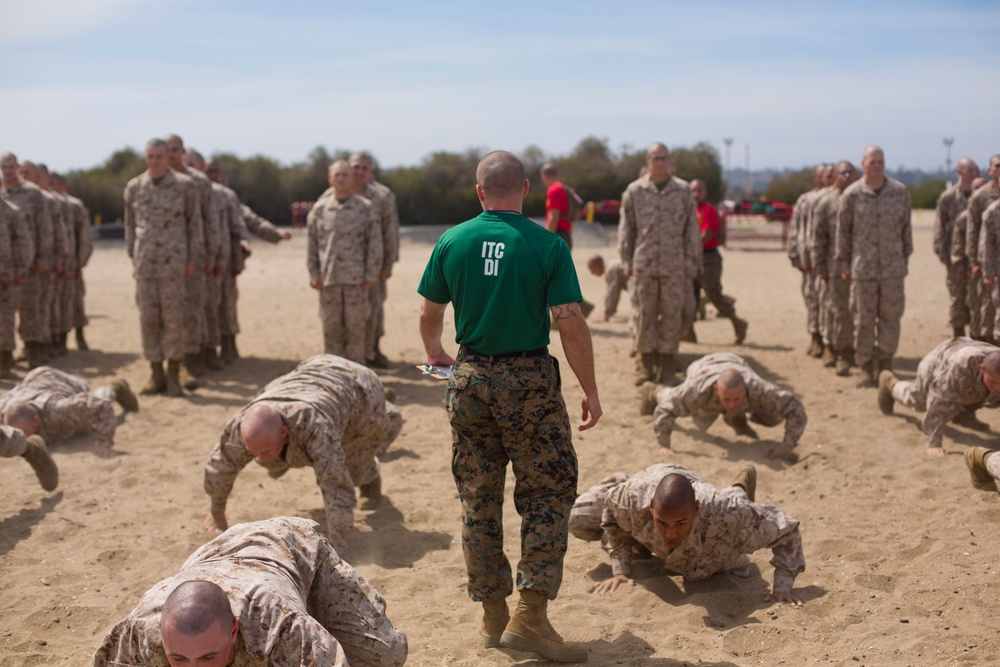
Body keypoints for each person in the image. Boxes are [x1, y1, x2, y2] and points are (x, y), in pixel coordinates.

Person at [418, 150, 600, 662]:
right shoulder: (546, 244)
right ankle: (532, 615)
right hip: (529, 380)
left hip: (470, 375)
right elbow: (570, 322)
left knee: (478, 499)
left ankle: (493, 611)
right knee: (546, 492)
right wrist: (590, 388)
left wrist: (436, 357)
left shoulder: (452, 240)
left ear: (479, 192)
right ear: (524, 188)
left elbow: (430, 313)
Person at [93, 516, 407, 667]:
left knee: (385, 656)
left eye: (208, 656)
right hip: (216, 555)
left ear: (233, 629)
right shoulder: (137, 630)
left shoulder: (277, 623)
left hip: (293, 548)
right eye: (178, 658)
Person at [201, 355, 401, 549]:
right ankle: (283, 455)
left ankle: (373, 467)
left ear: (283, 432)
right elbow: (220, 466)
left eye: (266, 450)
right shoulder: (239, 427)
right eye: (255, 452)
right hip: (312, 374)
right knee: (271, 460)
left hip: (359, 385)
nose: (259, 458)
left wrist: (338, 546)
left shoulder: (316, 428)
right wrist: (216, 512)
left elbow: (335, 486)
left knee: (354, 463)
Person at [568, 463, 806, 605]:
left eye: (680, 524)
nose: (671, 533)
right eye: (662, 523)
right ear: (651, 507)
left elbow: (787, 529)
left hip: (715, 506)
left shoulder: (722, 510)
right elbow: (610, 518)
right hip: (647, 482)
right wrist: (621, 569)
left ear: (695, 510)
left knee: (697, 570)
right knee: (577, 517)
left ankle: (739, 489)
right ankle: (641, 525)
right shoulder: (627, 499)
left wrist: (782, 588)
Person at [124, 138, 204, 396]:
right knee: (149, 318)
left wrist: (192, 259)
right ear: (145, 157)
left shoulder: (184, 186)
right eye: (151, 156)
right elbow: (130, 227)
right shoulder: (135, 187)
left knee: (174, 318)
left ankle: (173, 375)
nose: (155, 160)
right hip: (146, 264)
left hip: (174, 265)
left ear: (167, 158)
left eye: (160, 156)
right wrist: (133, 258)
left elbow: (194, 226)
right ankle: (155, 373)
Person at [618, 143, 701, 385]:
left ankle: (666, 365)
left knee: (672, 313)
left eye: (664, 158)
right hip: (644, 263)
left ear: (669, 161)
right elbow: (627, 229)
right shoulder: (634, 191)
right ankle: (645, 364)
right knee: (645, 313)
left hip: (674, 264)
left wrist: (689, 260)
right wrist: (626, 260)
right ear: (648, 160)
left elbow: (691, 229)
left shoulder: (683, 191)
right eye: (656, 158)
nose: (661, 162)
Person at [836, 145, 913, 387]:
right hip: (863, 269)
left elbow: (906, 231)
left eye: (881, 161)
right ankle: (867, 367)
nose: (877, 166)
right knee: (863, 319)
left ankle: (886, 365)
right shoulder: (852, 195)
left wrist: (904, 260)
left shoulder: (900, 192)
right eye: (873, 162)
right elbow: (843, 233)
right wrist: (844, 264)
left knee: (890, 317)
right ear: (863, 164)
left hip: (892, 269)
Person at [639, 352, 806, 462]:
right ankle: (654, 390)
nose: (732, 404)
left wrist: (788, 445)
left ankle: (735, 418)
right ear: (716, 390)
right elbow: (666, 409)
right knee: (668, 399)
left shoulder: (759, 388)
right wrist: (664, 445)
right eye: (727, 399)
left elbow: (795, 407)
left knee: (773, 417)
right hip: (703, 367)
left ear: (746, 389)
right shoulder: (697, 390)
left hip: (735, 362)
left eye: (736, 399)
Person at [202, 160, 291, 363]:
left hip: (226, 261)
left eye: (215, 171)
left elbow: (250, 221)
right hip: (204, 262)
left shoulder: (228, 197)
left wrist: (275, 234)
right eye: (208, 171)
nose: (212, 175)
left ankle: (229, 346)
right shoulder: (195, 194)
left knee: (227, 304)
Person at [307, 160, 382, 363]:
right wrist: (314, 273)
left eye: (345, 174)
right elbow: (313, 245)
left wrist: (370, 275)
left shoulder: (365, 208)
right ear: (330, 178)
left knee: (356, 329)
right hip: (329, 280)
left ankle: (357, 376)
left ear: (351, 178)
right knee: (331, 329)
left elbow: (374, 244)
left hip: (356, 280)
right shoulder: (320, 210)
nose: (341, 178)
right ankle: (334, 374)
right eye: (337, 175)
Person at [877, 338, 1000, 458]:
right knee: (919, 402)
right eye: (994, 382)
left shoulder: (992, 375)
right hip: (939, 363)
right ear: (982, 369)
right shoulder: (961, 366)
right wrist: (934, 443)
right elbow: (940, 400)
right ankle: (890, 384)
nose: (998, 387)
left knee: (989, 393)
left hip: (968, 368)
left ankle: (963, 415)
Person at [165, 134, 216, 383]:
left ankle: (192, 360)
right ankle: (172, 360)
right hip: (163, 261)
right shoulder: (156, 182)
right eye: (168, 150)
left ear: (183, 152)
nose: (172, 154)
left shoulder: (198, 181)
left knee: (193, 309)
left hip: (193, 257)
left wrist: (209, 254)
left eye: (176, 150)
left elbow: (209, 220)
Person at [0, 366, 138, 457]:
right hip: (32, 382)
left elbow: (102, 406)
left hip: (64, 383)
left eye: (23, 432)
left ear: (36, 421)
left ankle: (115, 388)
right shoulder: (3, 410)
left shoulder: (60, 410)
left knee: (95, 404)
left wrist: (104, 442)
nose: (18, 436)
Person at [1, 152, 54, 370]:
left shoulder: (33, 193)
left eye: (12, 167)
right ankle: (7, 356)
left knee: (31, 309)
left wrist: (41, 258)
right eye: (5, 167)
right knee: (6, 313)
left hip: (29, 262)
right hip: (6, 263)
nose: (9, 171)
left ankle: (35, 353)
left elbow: (44, 228)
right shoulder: (2, 193)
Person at [350, 151, 400, 369]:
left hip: (374, 264)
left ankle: (373, 351)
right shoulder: (338, 193)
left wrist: (388, 264)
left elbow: (391, 232)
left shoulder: (382, 196)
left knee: (375, 310)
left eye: (364, 168)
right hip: (346, 265)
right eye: (355, 167)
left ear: (371, 171)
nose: (359, 172)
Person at [812, 161, 860, 374]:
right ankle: (834, 348)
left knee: (855, 311)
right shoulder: (826, 203)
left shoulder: (862, 200)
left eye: (851, 172)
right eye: (843, 173)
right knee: (834, 310)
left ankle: (852, 350)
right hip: (834, 267)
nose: (847, 176)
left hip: (859, 266)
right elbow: (819, 238)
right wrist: (820, 265)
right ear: (835, 177)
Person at [690, 178, 748, 344]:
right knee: (690, 296)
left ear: (705, 192)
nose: (695, 194)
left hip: (708, 257)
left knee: (713, 295)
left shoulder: (707, 210)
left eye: (699, 190)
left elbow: (707, 234)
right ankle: (688, 331)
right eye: (693, 190)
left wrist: (689, 248)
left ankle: (737, 322)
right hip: (693, 257)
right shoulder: (690, 210)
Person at [788, 164, 829, 358]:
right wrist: (796, 257)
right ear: (816, 177)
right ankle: (815, 338)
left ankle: (831, 341)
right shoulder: (805, 200)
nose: (827, 179)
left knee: (829, 304)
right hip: (809, 263)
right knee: (812, 301)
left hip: (829, 263)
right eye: (823, 175)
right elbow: (795, 230)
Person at [935, 158, 979, 338]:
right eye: (969, 169)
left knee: (978, 302)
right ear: (959, 171)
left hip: (979, 258)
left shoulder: (982, 195)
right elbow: (940, 226)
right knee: (958, 302)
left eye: (975, 170)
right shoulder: (949, 197)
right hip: (957, 258)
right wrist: (943, 254)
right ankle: (958, 341)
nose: (973, 173)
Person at [49, 172, 93, 351]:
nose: (52, 187)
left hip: (72, 263)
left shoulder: (74, 205)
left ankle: (80, 336)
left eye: (55, 183)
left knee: (76, 302)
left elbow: (83, 238)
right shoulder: (48, 203)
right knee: (57, 303)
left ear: (64, 185)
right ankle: (58, 339)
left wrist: (79, 263)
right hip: (54, 264)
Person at [966, 154, 1000, 343]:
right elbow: (973, 231)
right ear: (990, 170)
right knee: (986, 308)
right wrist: (974, 261)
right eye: (998, 165)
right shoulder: (981, 197)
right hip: (988, 260)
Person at [0, 191, 31, 377]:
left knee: (6, 319)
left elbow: (22, 243)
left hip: (8, 275)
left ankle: (5, 360)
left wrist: (21, 270)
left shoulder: (11, 211)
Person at [540, 162, 576, 249]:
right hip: (567, 234)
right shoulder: (565, 189)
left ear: (544, 177)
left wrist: (548, 238)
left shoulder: (553, 190)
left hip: (557, 234)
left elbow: (554, 216)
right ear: (557, 175)